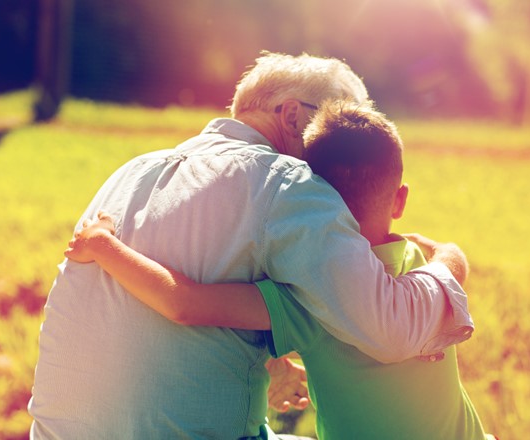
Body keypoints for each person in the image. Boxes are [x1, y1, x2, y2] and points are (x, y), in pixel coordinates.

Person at [29, 52, 473, 439]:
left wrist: (273, 364)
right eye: (330, 130)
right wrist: (451, 260)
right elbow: (389, 325)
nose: (339, 156)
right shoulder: (289, 184)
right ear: (293, 115)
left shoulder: (131, 171)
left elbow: (183, 305)